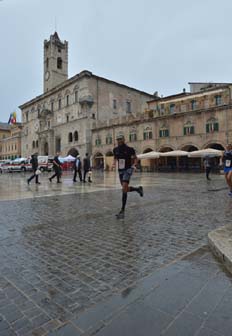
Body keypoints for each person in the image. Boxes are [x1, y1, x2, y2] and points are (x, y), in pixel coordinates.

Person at [112, 135, 143, 219]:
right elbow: (115, 158)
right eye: (118, 140)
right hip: (120, 171)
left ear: (124, 140)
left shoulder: (129, 149)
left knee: (124, 188)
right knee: (125, 189)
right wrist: (114, 163)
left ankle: (122, 211)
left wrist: (134, 165)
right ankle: (138, 189)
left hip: (128, 170)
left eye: (120, 139)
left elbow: (136, 159)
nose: (119, 141)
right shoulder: (115, 150)